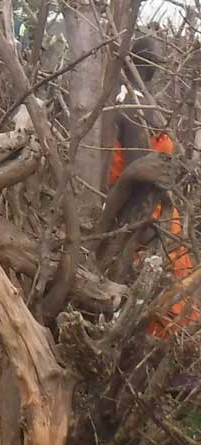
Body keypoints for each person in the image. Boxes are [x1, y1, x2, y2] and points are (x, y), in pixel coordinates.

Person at [105, 34, 196, 336]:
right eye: (153, 65)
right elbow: (139, 178)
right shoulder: (130, 108)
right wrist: (147, 234)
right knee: (161, 311)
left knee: (172, 304)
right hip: (145, 225)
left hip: (159, 221)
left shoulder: (138, 104)